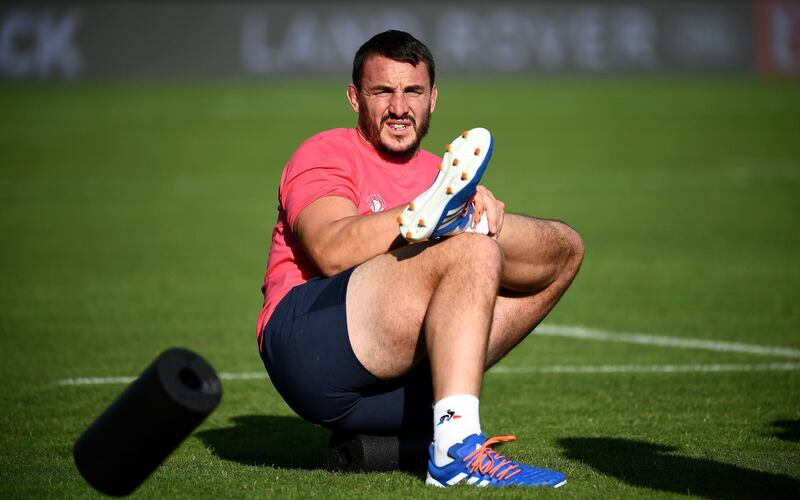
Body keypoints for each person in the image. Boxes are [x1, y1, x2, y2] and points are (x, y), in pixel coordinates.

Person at [257, 30, 584, 488]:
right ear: (355, 98)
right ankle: (456, 451)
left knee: (559, 248)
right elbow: (331, 251)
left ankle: (448, 422)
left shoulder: (442, 173)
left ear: (433, 99)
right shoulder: (326, 152)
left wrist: (477, 218)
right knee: (470, 250)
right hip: (306, 341)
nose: (398, 107)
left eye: (412, 91)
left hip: (396, 382)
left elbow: (550, 256)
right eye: (382, 92)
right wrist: (422, 215)